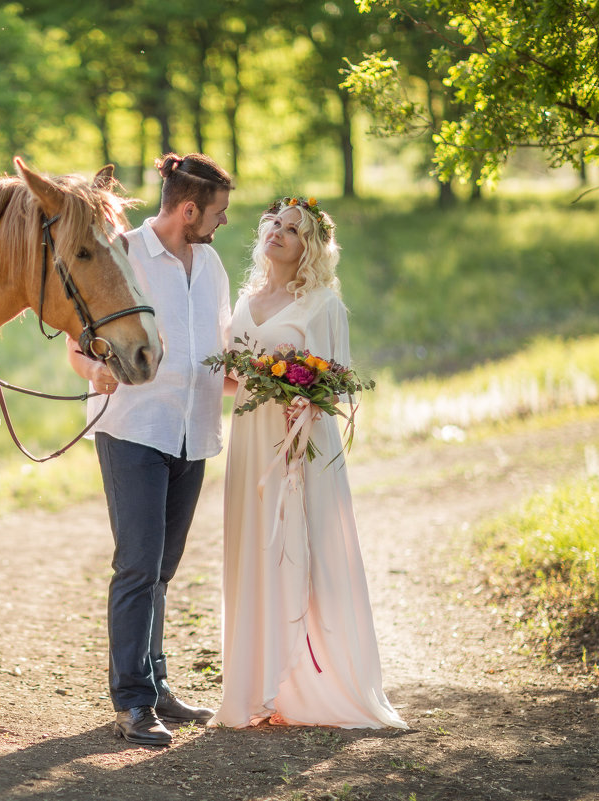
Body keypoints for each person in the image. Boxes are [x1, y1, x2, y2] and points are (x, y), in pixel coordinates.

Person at [211, 197, 407, 730]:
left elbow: (336, 384)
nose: (278, 232)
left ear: (310, 248)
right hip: (251, 439)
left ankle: (313, 685)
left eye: (293, 230)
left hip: (300, 446)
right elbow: (231, 380)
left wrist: (304, 397)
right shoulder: (246, 299)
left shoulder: (323, 305)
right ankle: (255, 687)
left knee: (302, 548)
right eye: (275, 222)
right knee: (254, 547)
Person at [66, 153, 235, 746]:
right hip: (134, 428)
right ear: (189, 209)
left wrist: (278, 385)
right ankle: (133, 703)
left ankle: (156, 682)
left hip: (195, 431)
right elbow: (78, 347)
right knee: (138, 565)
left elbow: (218, 351)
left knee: (163, 568)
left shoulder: (211, 264)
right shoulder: (123, 253)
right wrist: (95, 371)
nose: (220, 223)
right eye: (216, 213)